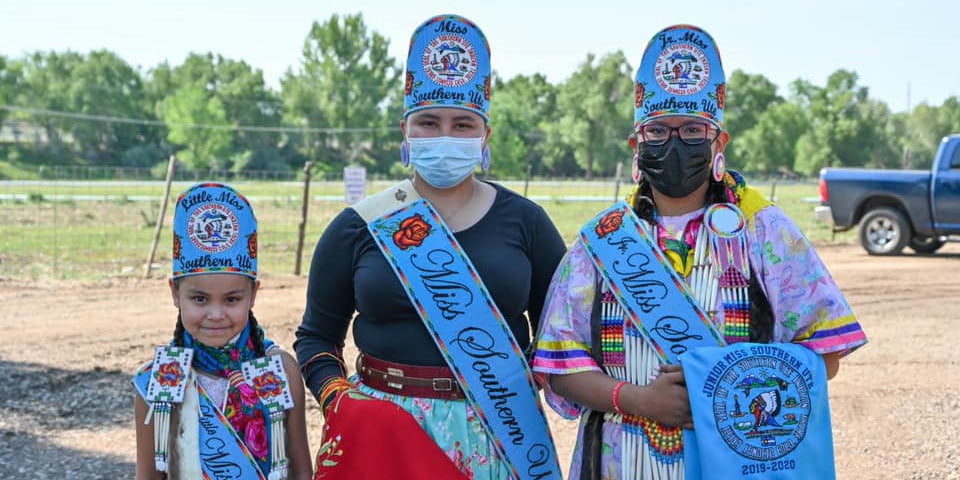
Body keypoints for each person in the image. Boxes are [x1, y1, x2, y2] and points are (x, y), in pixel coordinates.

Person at [531, 25, 868, 480]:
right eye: (657, 131)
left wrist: (725, 394)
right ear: (636, 145)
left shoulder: (763, 229)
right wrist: (638, 399)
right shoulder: (601, 241)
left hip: (733, 460)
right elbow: (560, 363)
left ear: (718, 143)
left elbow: (823, 352)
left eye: (692, 130)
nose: (674, 143)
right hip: (620, 460)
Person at [294, 13, 567, 480]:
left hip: (498, 432)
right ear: (405, 131)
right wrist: (341, 402)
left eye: (463, 124)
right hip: (381, 428)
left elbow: (562, 335)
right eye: (428, 122)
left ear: (485, 137)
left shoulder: (528, 224)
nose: (445, 135)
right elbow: (316, 337)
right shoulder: (359, 227)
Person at [133, 182, 312, 480]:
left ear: (253, 294)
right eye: (199, 299)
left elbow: (301, 472)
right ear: (175, 294)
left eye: (232, 299)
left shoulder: (281, 369)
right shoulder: (160, 381)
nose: (216, 315)